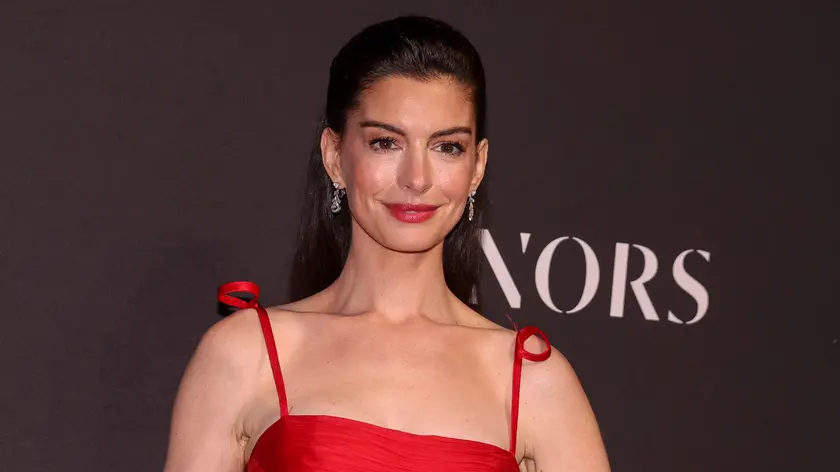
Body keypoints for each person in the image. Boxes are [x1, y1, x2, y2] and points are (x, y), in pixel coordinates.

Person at [163, 15, 610, 472]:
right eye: (385, 142)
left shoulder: (533, 382)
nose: (416, 178)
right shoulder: (246, 356)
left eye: (447, 147)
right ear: (334, 156)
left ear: (477, 167)